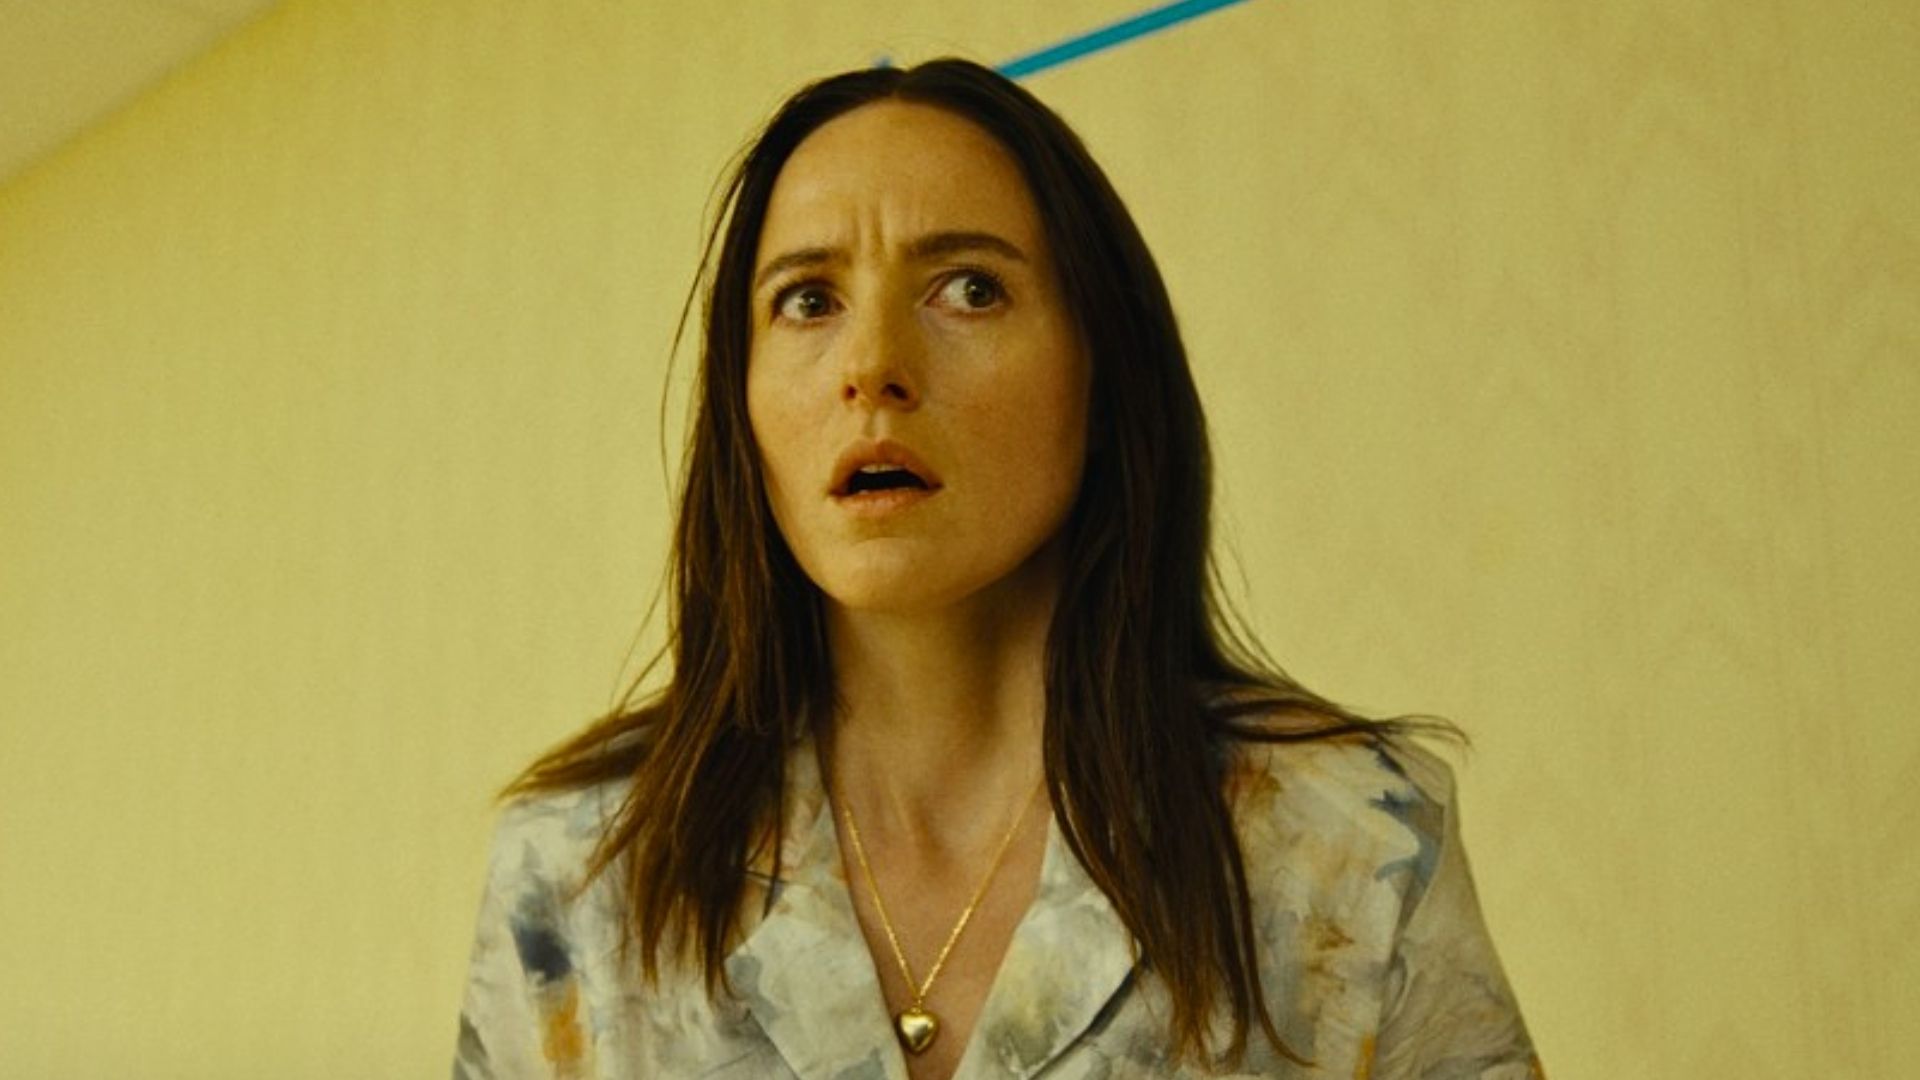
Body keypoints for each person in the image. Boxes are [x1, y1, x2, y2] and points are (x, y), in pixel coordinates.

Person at [453, 57, 1541, 1080]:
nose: (873, 365)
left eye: (969, 289)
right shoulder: (577, 876)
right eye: (808, 301)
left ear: (1102, 371)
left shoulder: (1350, 843)